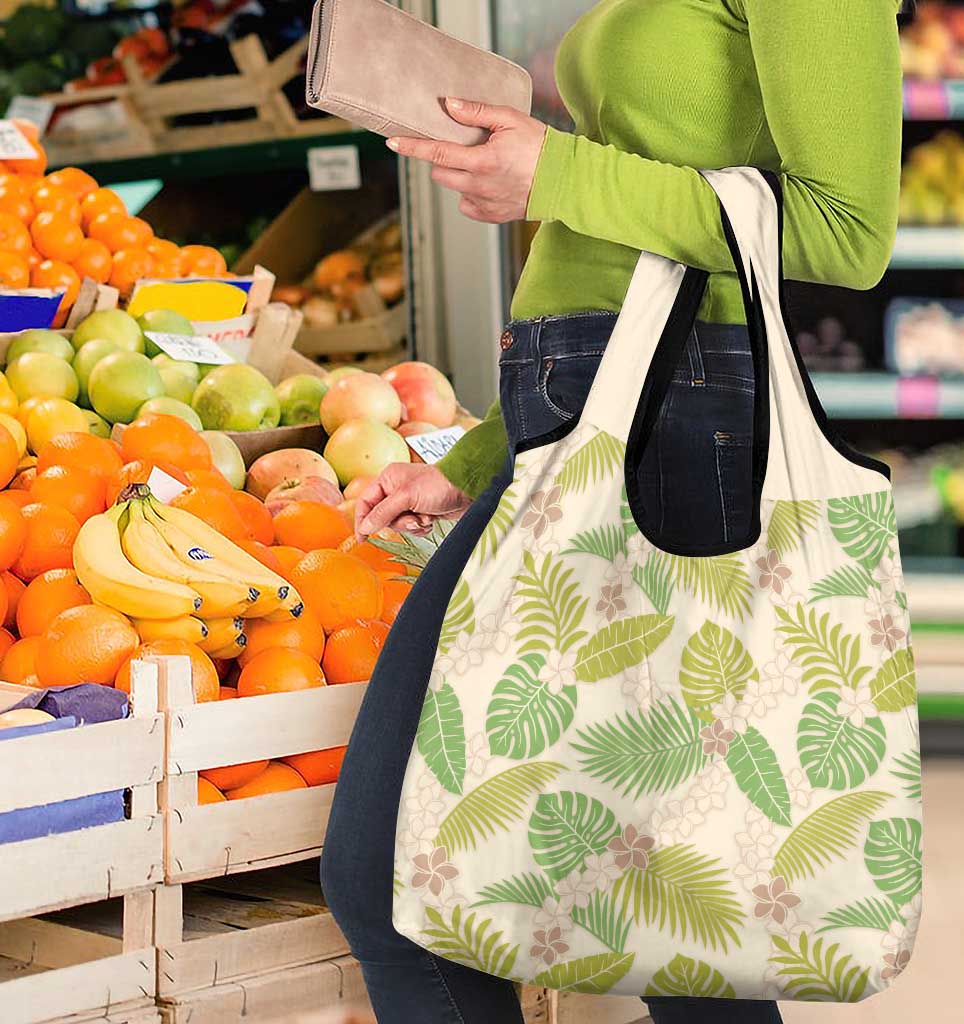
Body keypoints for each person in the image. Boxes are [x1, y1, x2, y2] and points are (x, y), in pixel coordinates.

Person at [321, 2, 907, 1021]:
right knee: (645, 918)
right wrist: (477, 457)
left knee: (673, 918)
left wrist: (556, 172)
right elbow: (621, 247)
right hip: (588, 428)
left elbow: (847, 230)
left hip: (683, 436)